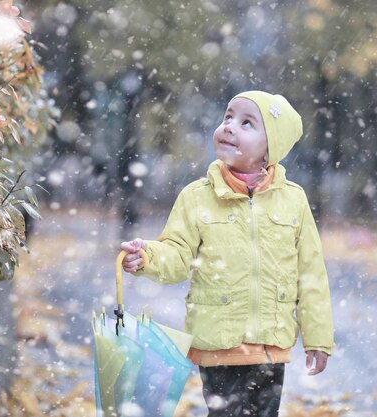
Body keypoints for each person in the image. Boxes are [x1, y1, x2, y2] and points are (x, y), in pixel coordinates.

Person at [120, 90, 334, 417]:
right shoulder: (197, 197)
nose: (230, 126)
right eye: (228, 117)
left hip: (270, 347)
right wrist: (147, 257)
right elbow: (177, 254)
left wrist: (318, 338)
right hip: (219, 343)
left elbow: (311, 273)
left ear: (270, 148)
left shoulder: (293, 200)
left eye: (247, 123)